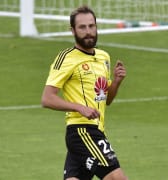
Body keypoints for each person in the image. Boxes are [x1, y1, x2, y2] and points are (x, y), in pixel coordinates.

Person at [41, 5, 128, 180]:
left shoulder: (104, 57)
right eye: (82, 27)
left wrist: (116, 82)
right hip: (82, 131)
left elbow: (106, 100)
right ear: (72, 30)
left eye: (91, 26)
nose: (88, 32)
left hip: (97, 130)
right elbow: (47, 98)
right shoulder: (66, 58)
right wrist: (80, 108)